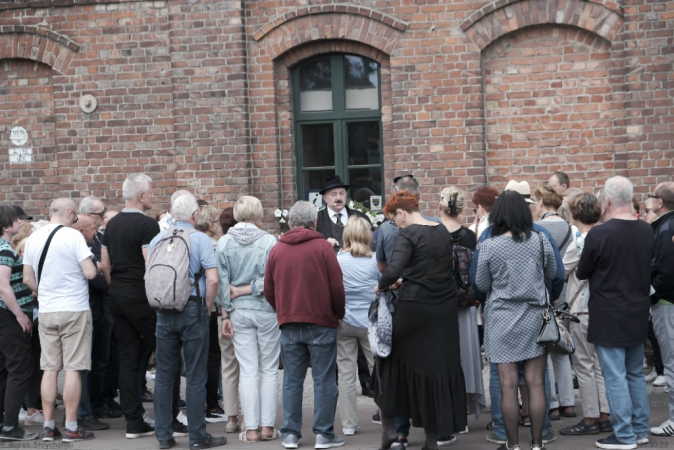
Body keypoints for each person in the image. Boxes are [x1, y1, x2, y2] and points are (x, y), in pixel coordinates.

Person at [374, 191, 466, 450]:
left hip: (415, 307)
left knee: (387, 360)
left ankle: (390, 429)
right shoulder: (441, 229)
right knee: (434, 368)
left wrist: (381, 285)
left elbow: (392, 269)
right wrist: (409, 276)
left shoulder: (409, 233)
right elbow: (435, 267)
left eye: (394, 219)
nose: (396, 224)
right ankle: (430, 440)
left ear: (401, 212)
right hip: (444, 309)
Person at [100, 174, 185, 439]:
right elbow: (152, 266)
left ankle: (134, 422)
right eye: (149, 191)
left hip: (118, 297)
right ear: (140, 196)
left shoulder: (111, 225)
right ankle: (169, 420)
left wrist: (116, 287)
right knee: (167, 355)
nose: (152, 195)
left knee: (130, 358)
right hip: (142, 299)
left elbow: (105, 264)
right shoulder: (148, 225)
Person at [475, 190, 557, 450]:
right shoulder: (541, 240)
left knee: (507, 384)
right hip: (535, 317)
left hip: (501, 319)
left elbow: (481, 283)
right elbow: (553, 273)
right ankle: (536, 443)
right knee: (535, 382)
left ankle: (512, 445)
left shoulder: (489, 245)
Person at [576, 176, 654, 449]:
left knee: (615, 375)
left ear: (606, 201)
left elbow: (582, 271)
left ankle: (624, 434)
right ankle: (640, 429)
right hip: (638, 311)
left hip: (608, 313)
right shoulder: (647, 231)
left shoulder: (599, 234)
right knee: (634, 373)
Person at [264, 201, 346, 450]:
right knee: (323, 379)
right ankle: (323, 434)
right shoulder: (323, 248)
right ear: (314, 222)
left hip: (289, 321)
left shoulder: (277, 250)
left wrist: (282, 309)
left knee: (291, 379)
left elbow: (269, 289)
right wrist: (338, 313)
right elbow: (336, 288)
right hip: (321, 320)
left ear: (290, 222)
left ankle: (290, 434)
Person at [148, 193, 227, 450]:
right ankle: (197, 437)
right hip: (193, 308)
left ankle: (163, 436)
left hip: (163, 309)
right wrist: (206, 307)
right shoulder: (200, 239)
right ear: (195, 216)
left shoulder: (158, 238)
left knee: (164, 375)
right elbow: (213, 279)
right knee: (195, 374)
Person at [23, 198, 98, 442]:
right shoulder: (73, 236)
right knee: (73, 368)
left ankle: (47, 426)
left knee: (49, 368)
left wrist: (44, 294)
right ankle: (72, 426)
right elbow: (90, 273)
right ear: (69, 213)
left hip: (47, 310)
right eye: (75, 216)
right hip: (74, 308)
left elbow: (27, 279)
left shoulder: (33, 237)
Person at [217, 196, 280, 443]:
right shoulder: (269, 241)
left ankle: (251, 429)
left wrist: (224, 314)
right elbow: (271, 281)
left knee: (247, 370)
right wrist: (252, 288)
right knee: (269, 369)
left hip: (237, 311)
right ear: (257, 213)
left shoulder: (223, 242)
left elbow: (222, 283)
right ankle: (267, 427)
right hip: (266, 309)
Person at [557, 193, 612, 436]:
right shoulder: (605, 236)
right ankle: (605, 415)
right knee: (600, 365)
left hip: (581, 308)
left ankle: (590, 418)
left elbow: (560, 270)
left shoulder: (579, 241)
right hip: (602, 308)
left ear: (575, 214)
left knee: (583, 365)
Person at [439, 187, 486, 421]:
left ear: (440, 206)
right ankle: (466, 404)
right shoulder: (469, 235)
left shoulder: (434, 233)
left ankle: (448, 404)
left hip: (440, 303)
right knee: (467, 353)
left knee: (445, 354)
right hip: (465, 302)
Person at [532, 185, 576, 421]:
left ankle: (553, 404)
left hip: (544, 294)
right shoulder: (572, 228)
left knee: (545, 349)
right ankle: (569, 402)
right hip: (567, 296)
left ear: (541, 203)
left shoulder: (536, 229)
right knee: (563, 348)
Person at [335, 217, 379, 436]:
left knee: (346, 374)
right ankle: (387, 415)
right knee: (379, 370)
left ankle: (349, 424)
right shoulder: (375, 261)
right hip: (370, 323)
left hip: (345, 321)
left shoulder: (339, 260)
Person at [0, 206, 38, 441]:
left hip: (5, 316)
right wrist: (20, 315)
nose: (18, 223)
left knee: (4, 369)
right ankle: (10, 426)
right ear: (5, 226)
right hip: (9, 315)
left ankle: (4, 422)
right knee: (20, 368)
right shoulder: (4, 249)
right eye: (14, 220)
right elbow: (3, 286)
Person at [72, 215, 112, 431]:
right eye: (92, 229)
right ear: (79, 229)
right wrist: (100, 272)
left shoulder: (89, 245)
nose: (96, 233)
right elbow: (96, 278)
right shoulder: (79, 249)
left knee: (94, 362)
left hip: (92, 310)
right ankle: (83, 413)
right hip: (86, 310)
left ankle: (90, 408)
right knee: (83, 365)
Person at [194, 204, 227, 423]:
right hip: (209, 305)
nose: (217, 225)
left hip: (188, 302)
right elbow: (216, 279)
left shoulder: (187, 240)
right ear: (209, 224)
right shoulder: (213, 245)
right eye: (215, 221)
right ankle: (212, 404)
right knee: (213, 357)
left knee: (196, 357)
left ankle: (200, 404)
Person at [648, 181, 674, 437]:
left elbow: (665, 273)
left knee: (672, 364)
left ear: (660, 202)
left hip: (667, 305)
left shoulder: (666, 228)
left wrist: (651, 294)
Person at [215, 206, 241, 433]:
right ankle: (256, 415)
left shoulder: (220, 246)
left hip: (225, 311)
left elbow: (219, 282)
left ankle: (232, 416)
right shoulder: (255, 243)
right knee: (254, 366)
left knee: (229, 365)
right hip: (250, 309)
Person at [316, 175, 372, 252]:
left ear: (346, 195)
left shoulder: (361, 217)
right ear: (325, 198)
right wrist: (323, 243)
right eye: (334, 194)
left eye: (341, 193)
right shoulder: (316, 219)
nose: (338, 198)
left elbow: (372, 242)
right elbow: (309, 246)